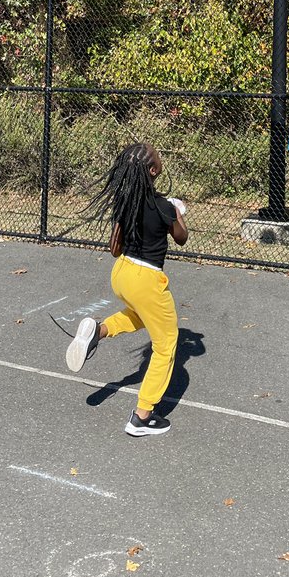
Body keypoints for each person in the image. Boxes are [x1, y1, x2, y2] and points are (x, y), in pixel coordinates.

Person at [65, 142, 188, 437]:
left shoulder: (125, 203)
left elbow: (114, 248)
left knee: (140, 315)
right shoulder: (163, 206)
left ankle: (98, 330)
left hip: (121, 273)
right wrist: (178, 212)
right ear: (153, 170)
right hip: (147, 279)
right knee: (166, 344)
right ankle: (142, 417)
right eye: (157, 155)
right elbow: (181, 238)